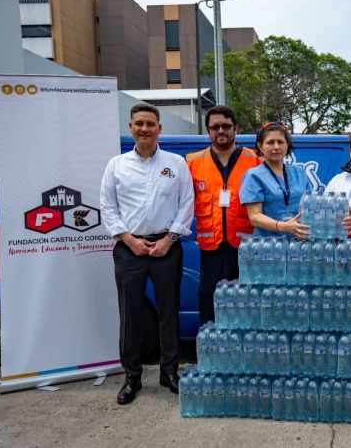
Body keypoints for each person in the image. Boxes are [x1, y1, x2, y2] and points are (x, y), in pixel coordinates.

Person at [100, 103, 194, 405]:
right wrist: (128, 239)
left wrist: (169, 238)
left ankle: (169, 372)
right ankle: (132, 376)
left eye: (150, 123)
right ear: (130, 127)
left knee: (169, 312)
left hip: (167, 247)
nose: (144, 128)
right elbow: (107, 206)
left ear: (159, 128)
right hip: (129, 249)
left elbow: (186, 203)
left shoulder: (176, 163)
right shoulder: (116, 165)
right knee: (131, 314)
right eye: (139, 123)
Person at [186, 106, 261, 325]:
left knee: (247, 303)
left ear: (236, 128)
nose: (221, 131)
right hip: (211, 249)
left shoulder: (255, 161)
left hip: (246, 248)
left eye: (226, 126)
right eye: (215, 127)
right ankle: (213, 353)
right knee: (210, 302)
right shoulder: (192, 162)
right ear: (208, 131)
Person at [239, 122, 311, 238]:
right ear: (260, 146)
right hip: (269, 247)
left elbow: (310, 207)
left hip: (299, 243)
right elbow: (254, 217)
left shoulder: (299, 173)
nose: (276, 147)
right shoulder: (253, 176)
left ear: (287, 145)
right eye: (270, 142)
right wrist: (282, 226)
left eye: (280, 142)